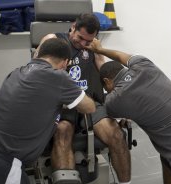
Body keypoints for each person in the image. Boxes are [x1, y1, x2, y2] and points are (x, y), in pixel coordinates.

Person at [84, 38, 171, 184]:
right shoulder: (142, 64)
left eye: (106, 88)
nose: (108, 91)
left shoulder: (114, 100)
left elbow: (99, 107)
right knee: (166, 157)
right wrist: (100, 50)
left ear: (107, 81)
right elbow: (119, 55)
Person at [36, 13, 131, 183]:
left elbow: (106, 73)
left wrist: (121, 103)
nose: (82, 44)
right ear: (73, 27)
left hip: (90, 102)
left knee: (116, 134)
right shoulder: (54, 40)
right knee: (62, 132)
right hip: (63, 104)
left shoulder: (93, 46)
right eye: (79, 38)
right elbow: (35, 70)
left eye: (87, 41)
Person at [0, 38, 96, 184]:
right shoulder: (58, 77)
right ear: (65, 63)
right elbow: (89, 107)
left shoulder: (16, 72)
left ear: (38, 55)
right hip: (3, 163)